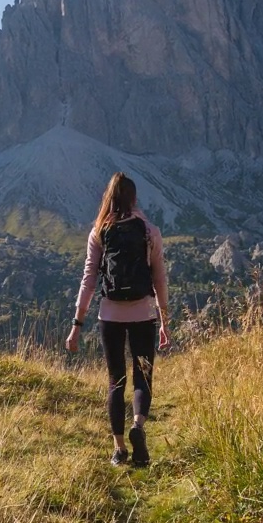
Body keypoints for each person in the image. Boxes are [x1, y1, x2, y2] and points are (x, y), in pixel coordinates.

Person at [66, 172, 171, 466]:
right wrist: (164, 320)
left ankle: (119, 449)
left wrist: (77, 324)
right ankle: (138, 426)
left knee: (116, 380)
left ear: (108, 197)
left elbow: (88, 279)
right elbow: (160, 278)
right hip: (144, 313)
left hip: (109, 314)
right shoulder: (150, 231)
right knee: (142, 376)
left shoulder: (99, 231)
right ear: (134, 198)